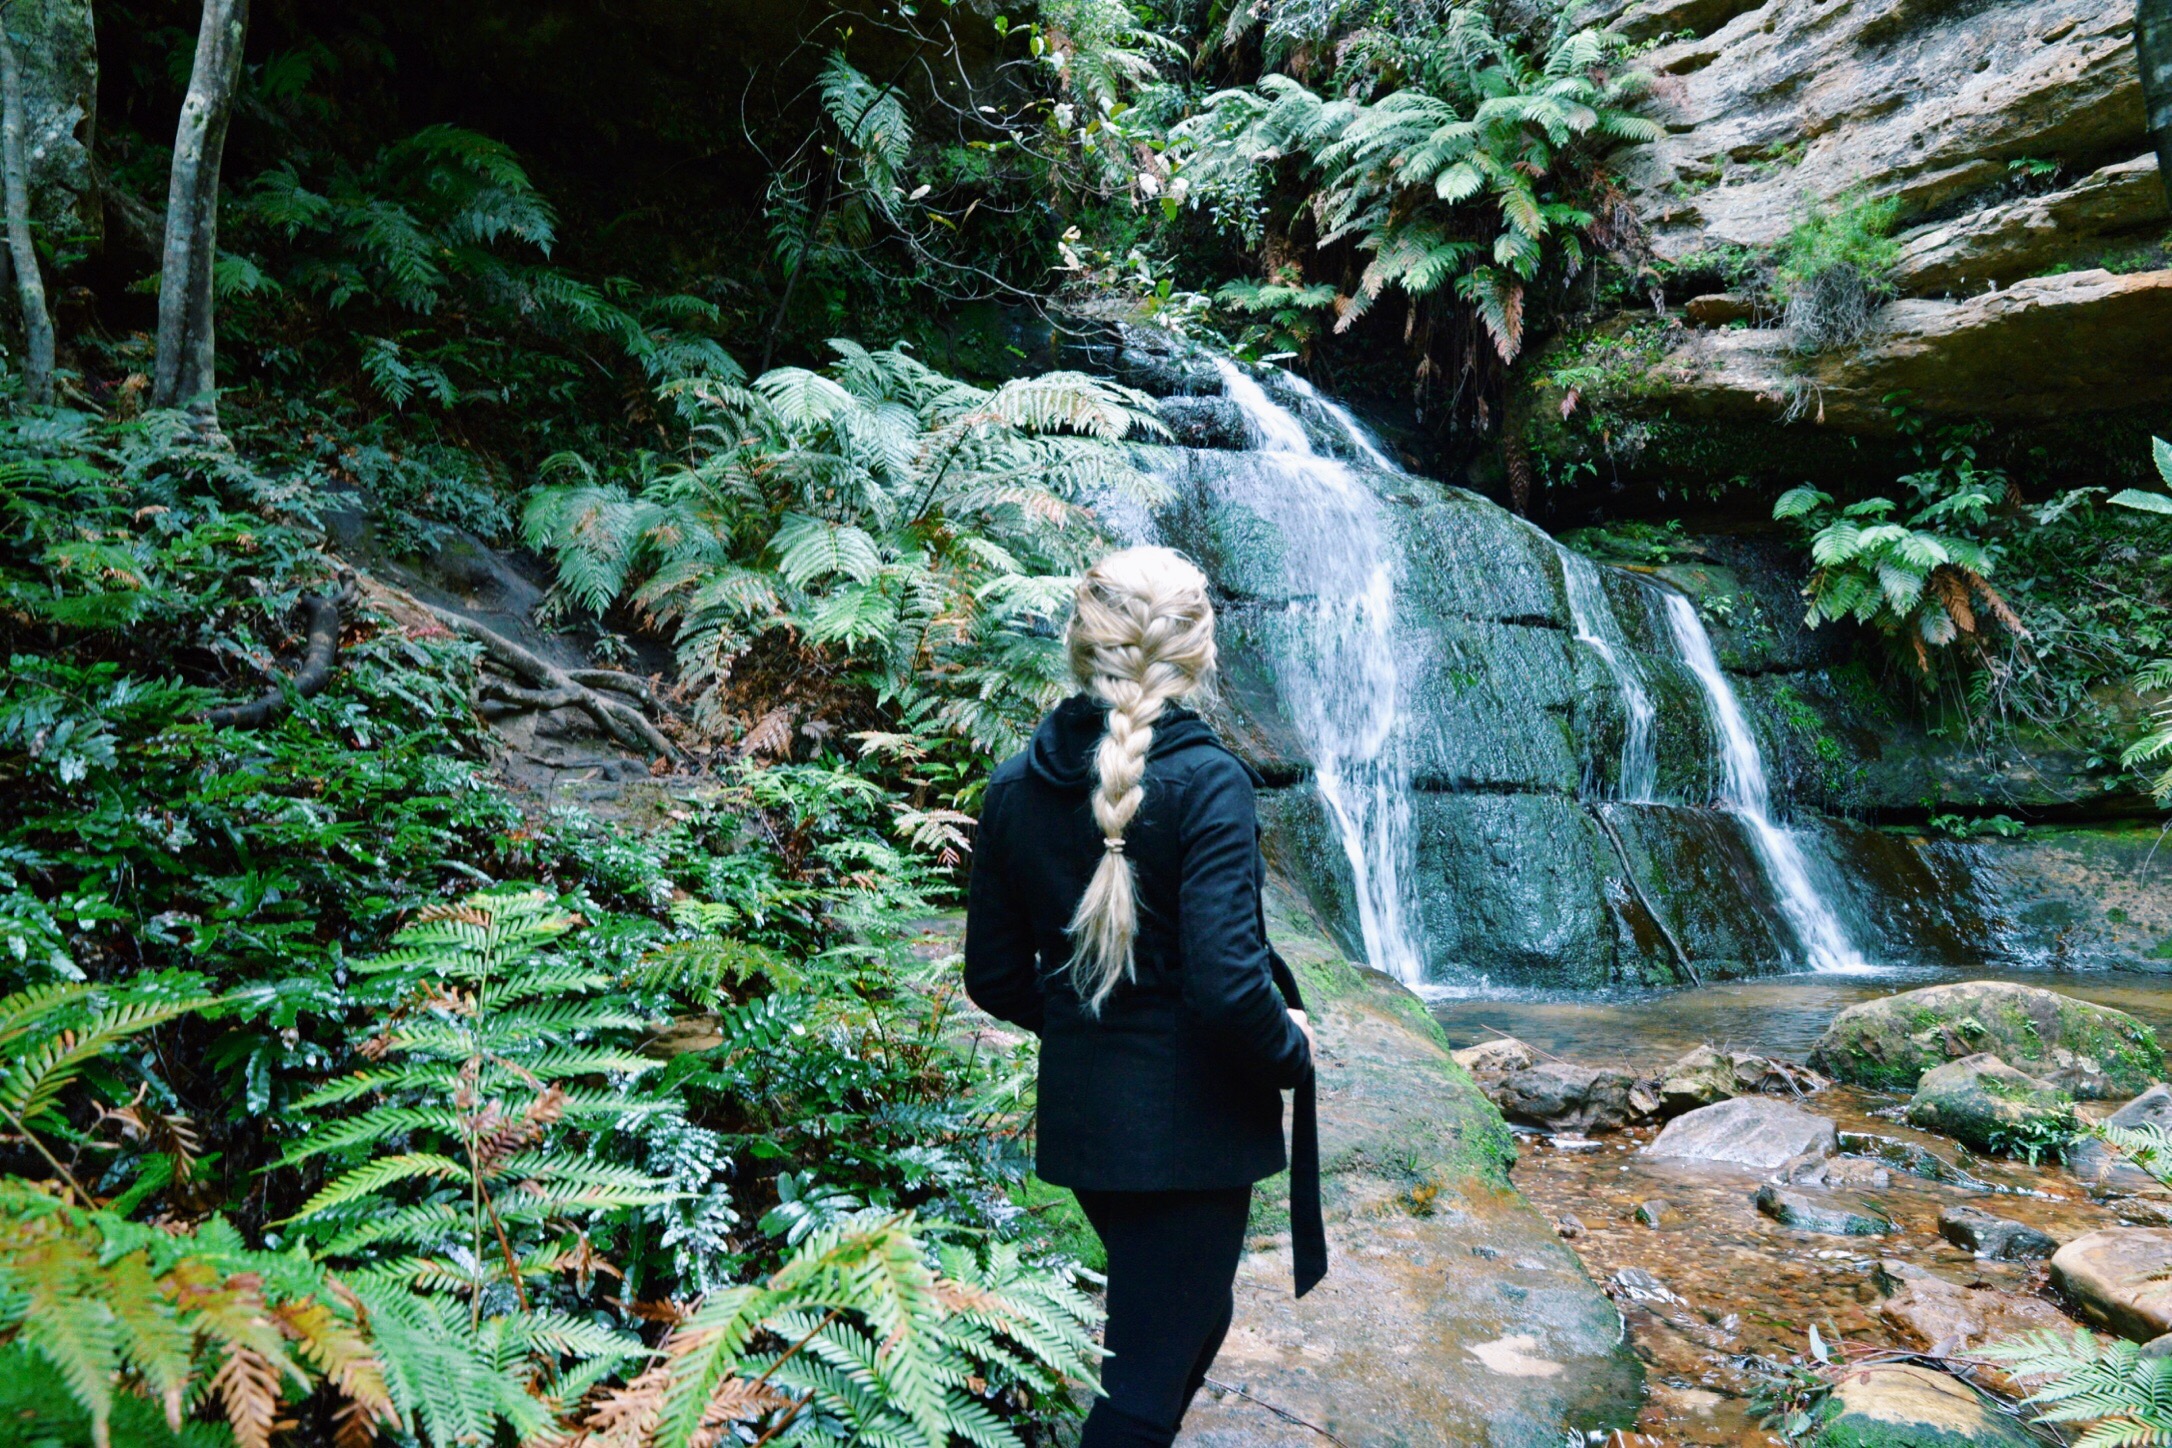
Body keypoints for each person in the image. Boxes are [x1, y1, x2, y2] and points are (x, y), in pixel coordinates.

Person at [964, 544, 1325, 1448]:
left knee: (1184, 1322)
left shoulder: (1013, 787)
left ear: (1080, 643)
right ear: (1199, 651)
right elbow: (1228, 985)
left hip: (1090, 1127)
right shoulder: (1207, 785)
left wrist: (1088, 1024)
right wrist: (1292, 1049)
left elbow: (994, 976)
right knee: (1143, 1385)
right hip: (1190, 1140)